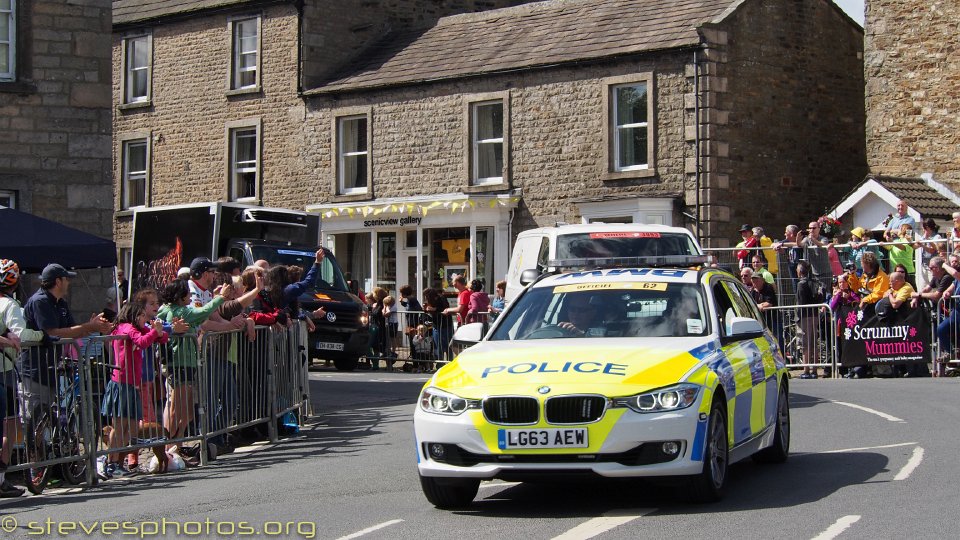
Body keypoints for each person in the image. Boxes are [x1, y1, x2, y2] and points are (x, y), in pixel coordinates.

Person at [19, 264, 113, 456]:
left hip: (53, 366)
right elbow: (52, 333)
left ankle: (54, 462)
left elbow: (72, 329)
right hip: (36, 368)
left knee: (50, 417)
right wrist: (88, 327)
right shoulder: (40, 301)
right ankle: (36, 466)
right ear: (58, 281)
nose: (69, 282)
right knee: (35, 420)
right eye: (67, 279)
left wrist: (91, 325)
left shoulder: (60, 303)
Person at [157, 279, 228, 456]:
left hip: (187, 364)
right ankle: (166, 449)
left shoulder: (174, 309)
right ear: (180, 297)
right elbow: (202, 312)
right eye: (188, 294)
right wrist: (220, 298)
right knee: (176, 409)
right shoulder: (181, 311)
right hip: (180, 364)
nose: (190, 296)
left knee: (188, 412)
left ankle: (177, 446)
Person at [98, 301, 168, 480]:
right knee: (120, 427)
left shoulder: (135, 328)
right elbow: (142, 341)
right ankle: (111, 463)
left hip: (131, 383)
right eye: (143, 316)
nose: (146, 319)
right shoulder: (126, 328)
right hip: (121, 382)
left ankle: (115, 463)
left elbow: (162, 338)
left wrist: (158, 332)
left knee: (129, 427)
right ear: (135, 315)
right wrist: (154, 332)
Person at [0, 259, 41, 497]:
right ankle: (2, 477)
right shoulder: (9, 305)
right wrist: (42, 336)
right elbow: (22, 334)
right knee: (12, 423)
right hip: (3, 370)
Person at [795, 261, 821, 379]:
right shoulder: (814, 282)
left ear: (800, 271)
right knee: (813, 342)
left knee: (805, 343)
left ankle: (806, 370)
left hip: (805, 316)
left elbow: (800, 301)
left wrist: (798, 318)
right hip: (814, 314)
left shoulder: (801, 284)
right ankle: (814, 370)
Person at [422, 288, 453, 362]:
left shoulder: (442, 298)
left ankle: (450, 363)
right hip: (436, 325)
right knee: (438, 346)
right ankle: (440, 364)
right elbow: (429, 311)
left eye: (426, 296)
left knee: (448, 346)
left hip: (446, 325)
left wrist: (434, 309)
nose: (426, 298)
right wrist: (425, 309)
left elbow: (445, 308)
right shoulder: (430, 301)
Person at [913, 218, 944, 291]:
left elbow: (933, 250)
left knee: (933, 288)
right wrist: (911, 241)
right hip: (924, 266)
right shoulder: (923, 237)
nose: (923, 230)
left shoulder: (937, 237)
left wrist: (925, 243)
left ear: (927, 228)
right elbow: (914, 247)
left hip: (933, 268)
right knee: (923, 288)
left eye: (924, 228)